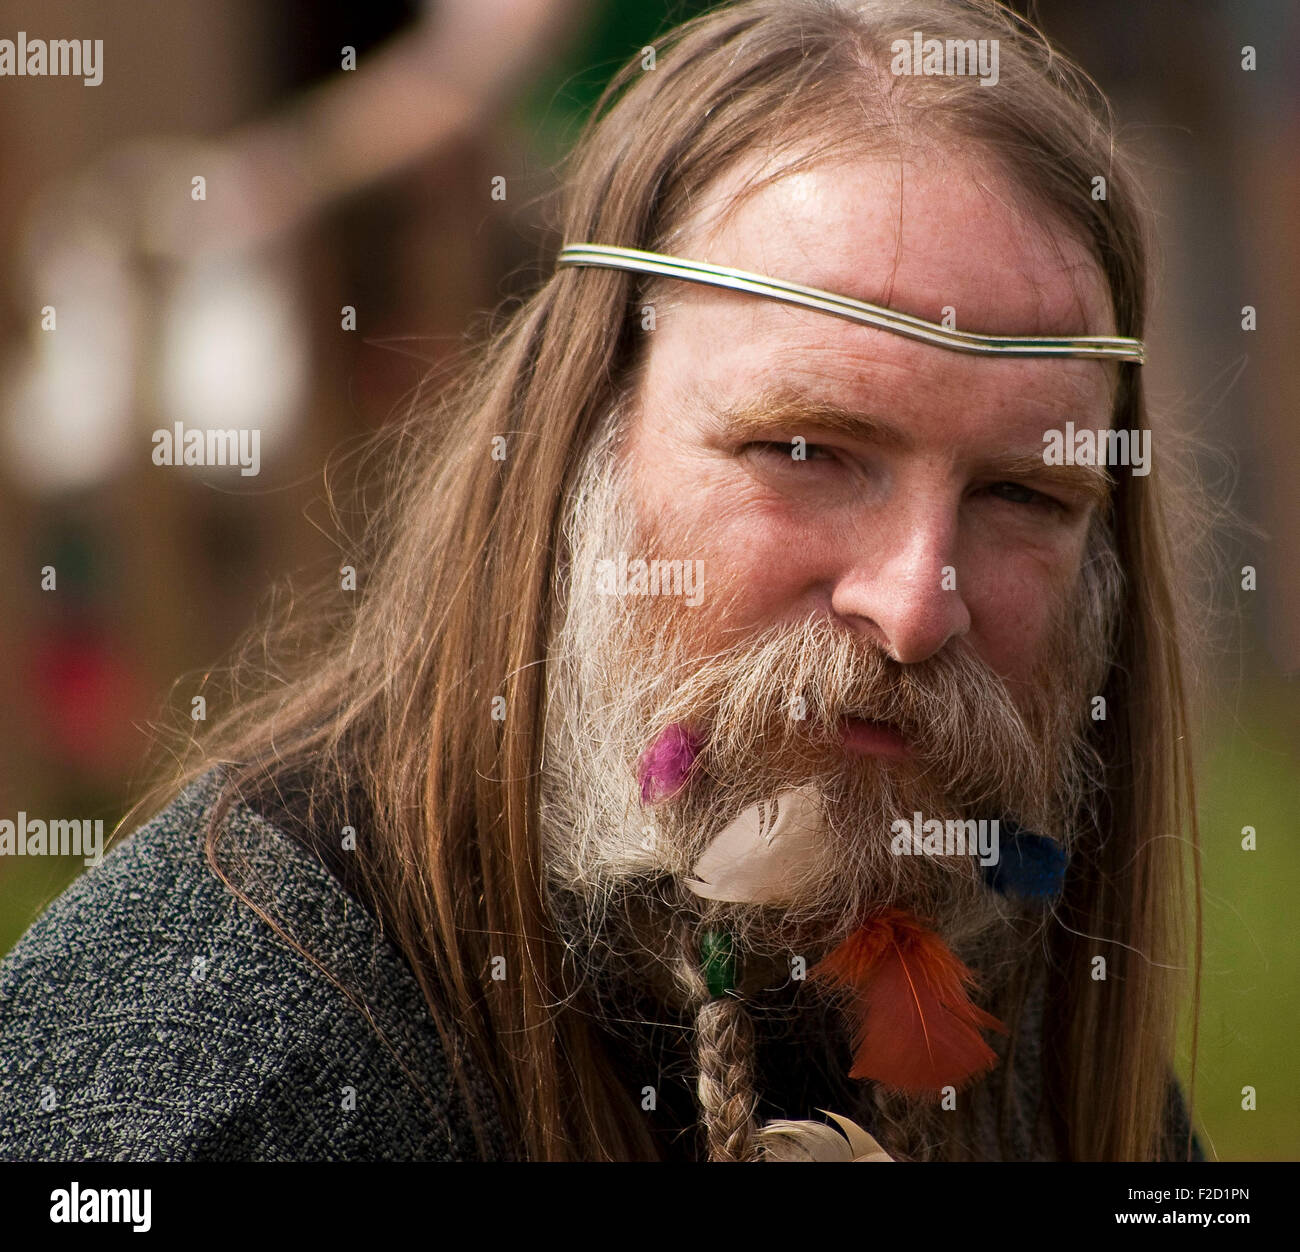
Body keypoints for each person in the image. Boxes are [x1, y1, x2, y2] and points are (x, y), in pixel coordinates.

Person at [0, 0, 1205, 1163]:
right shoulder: (226, 1062)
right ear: (581, 440)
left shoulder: (991, 954)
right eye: (804, 450)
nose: (911, 607)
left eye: (1023, 497)